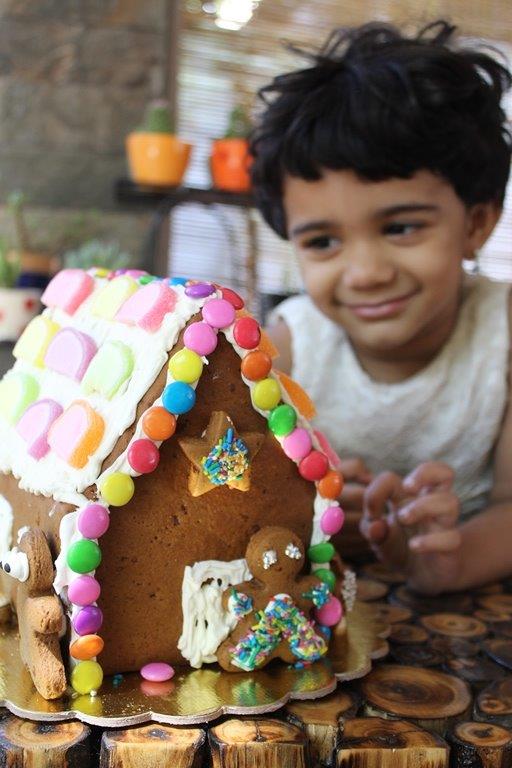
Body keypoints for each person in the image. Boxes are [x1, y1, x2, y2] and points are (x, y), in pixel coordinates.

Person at [250, 20, 512, 594]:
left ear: (476, 222)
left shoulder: (504, 336)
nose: (366, 273)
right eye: (323, 241)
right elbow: (240, 498)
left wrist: (450, 558)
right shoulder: (285, 348)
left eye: (400, 227)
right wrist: (305, 509)